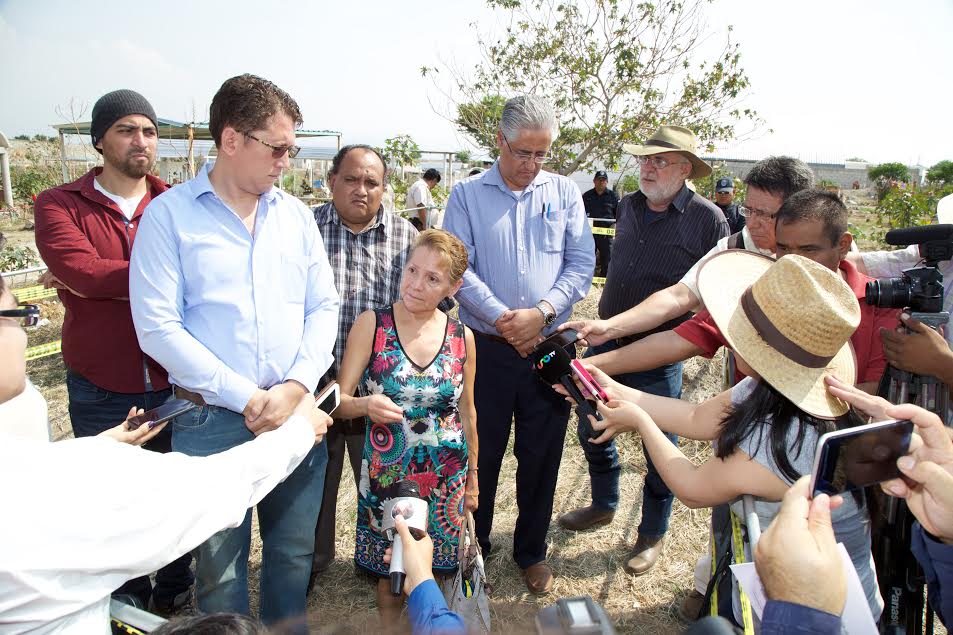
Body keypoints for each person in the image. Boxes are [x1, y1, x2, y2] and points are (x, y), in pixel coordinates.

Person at [0, 273, 333, 634]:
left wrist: (102, 446)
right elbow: (209, 490)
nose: (23, 334)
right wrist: (298, 433)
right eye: (20, 316)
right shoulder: (36, 497)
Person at [128, 74, 339, 629]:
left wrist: (294, 387)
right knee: (218, 567)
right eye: (277, 148)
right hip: (209, 420)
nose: (286, 162)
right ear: (230, 141)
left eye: (291, 149)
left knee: (292, 554)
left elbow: (324, 307)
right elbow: (157, 327)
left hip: (294, 413)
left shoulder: (295, 216)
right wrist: (247, 395)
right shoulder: (169, 216)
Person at [573, 253, 884, 621]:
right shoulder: (767, 389)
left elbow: (691, 487)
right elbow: (694, 417)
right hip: (787, 589)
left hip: (817, 617)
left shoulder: (782, 442)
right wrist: (612, 389)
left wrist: (640, 420)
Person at [32, 88, 193, 614]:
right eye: (126, 129)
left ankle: (174, 592)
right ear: (100, 140)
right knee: (108, 501)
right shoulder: (59, 204)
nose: (141, 140)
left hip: (174, 381)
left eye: (148, 130)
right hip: (101, 383)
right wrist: (168, 276)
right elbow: (80, 271)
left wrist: (127, 281)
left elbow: (111, 280)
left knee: (171, 495)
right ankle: (124, 601)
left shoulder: (175, 202)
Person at [442, 94, 595, 595]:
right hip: (486, 349)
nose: (532, 165)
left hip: (549, 347)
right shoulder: (465, 196)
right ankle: (476, 548)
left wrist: (542, 313)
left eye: (541, 154)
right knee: (479, 454)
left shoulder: (566, 194)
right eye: (522, 153)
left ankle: (531, 550)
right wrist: (508, 321)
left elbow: (580, 265)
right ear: (499, 142)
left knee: (543, 453)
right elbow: (459, 269)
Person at [558, 125, 727, 577]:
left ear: (685, 169)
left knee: (659, 447)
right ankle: (603, 503)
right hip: (608, 338)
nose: (647, 169)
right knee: (592, 427)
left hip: (659, 352)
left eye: (659, 161)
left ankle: (651, 533)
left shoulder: (709, 220)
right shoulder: (628, 204)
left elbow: (698, 295)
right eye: (644, 160)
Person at [584, 189, 896, 394]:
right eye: (784, 249)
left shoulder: (881, 305)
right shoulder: (753, 293)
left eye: (808, 250)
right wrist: (593, 365)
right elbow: (681, 338)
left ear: (842, 245)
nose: (794, 263)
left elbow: (869, 394)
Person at [334, 229, 478, 620]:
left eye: (432, 278)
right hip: (388, 474)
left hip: (447, 476)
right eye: (412, 270)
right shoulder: (372, 324)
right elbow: (338, 404)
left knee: (435, 572)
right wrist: (365, 404)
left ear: (454, 287)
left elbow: (467, 412)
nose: (416, 284)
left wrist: (473, 482)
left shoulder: (461, 336)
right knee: (390, 572)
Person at [311, 144, 420, 580]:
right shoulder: (304, 227)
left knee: (381, 480)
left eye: (372, 182)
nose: (361, 190)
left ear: (384, 188)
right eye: (352, 179)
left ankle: (380, 560)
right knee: (313, 485)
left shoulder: (405, 237)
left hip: (378, 394)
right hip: (312, 386)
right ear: (332, 180)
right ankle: (313, 562)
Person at [582, 170, 620, 277]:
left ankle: (604, 281)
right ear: (594, 181)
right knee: (588, 257)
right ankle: (587, 278)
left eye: (603, 180)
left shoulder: (613, 196)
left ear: (607, 182)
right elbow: (580, 213)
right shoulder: (587, 196)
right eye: (599, 180)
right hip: (589, 234)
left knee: (607, 258)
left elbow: (619, 214)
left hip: (606, 234)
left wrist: (614, 229)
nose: (601, 182)